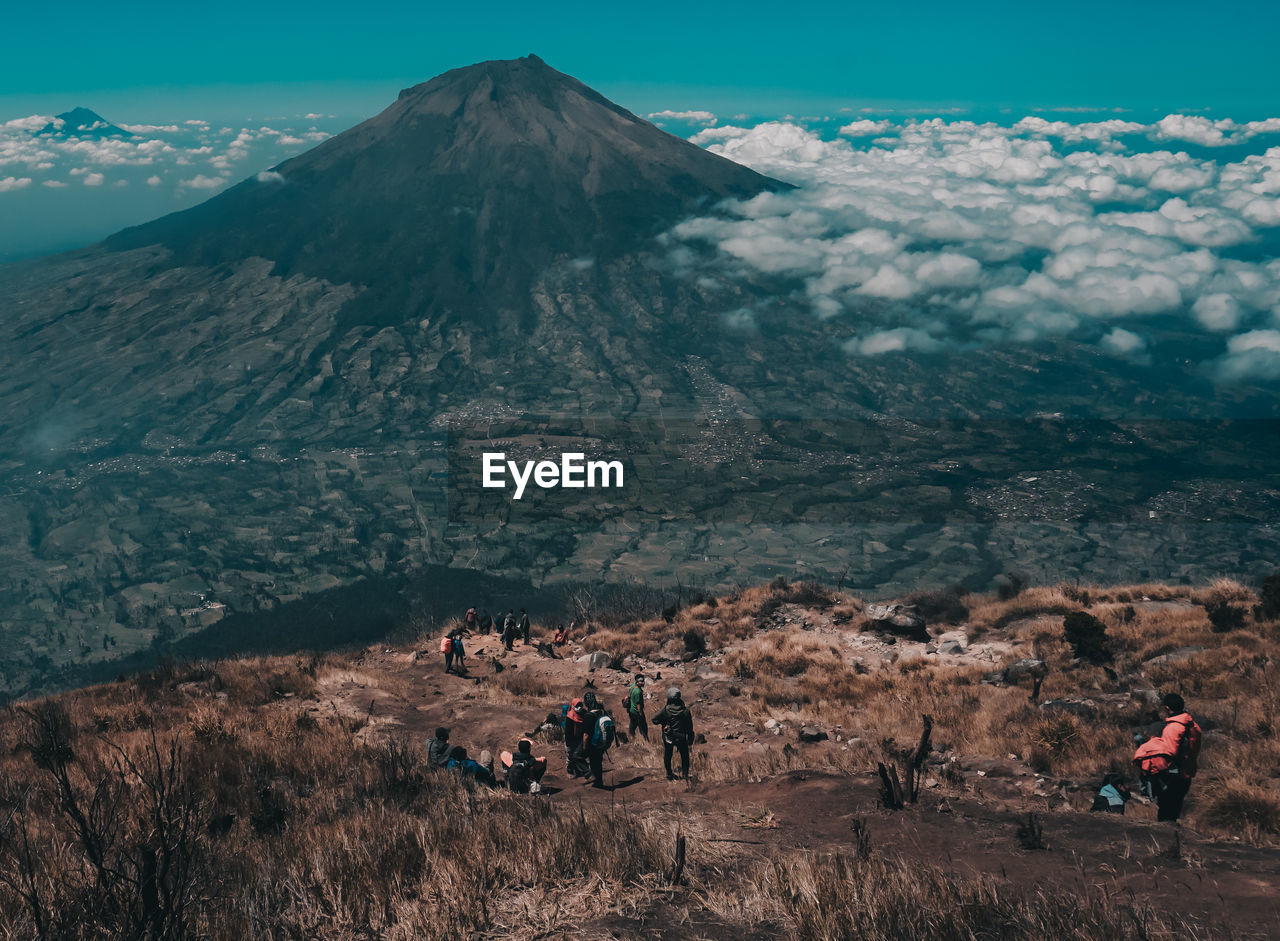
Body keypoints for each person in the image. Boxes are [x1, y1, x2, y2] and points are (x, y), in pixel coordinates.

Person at [1133, 692, 1202, 823]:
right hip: (1187, 773)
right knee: (1175, 809)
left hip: (1172, 777)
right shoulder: (1194, 726)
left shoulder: (1173, 727)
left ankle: (1166, 840)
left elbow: (1169, 753)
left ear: (1167, 708)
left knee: (1165, 813)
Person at [653, 687, 694, 781]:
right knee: (685, 756)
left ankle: (669, 774)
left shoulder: (665, 710)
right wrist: (690, 739)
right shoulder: (685, 711)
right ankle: (685, 775)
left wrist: (663, 723)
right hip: (681, 737)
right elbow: (689, 727)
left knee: (668, 754)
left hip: (669, 736)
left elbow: (654, 719)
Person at [580, 691, 614, 789]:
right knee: (597, 762)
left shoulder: (587, 716)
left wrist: (584, 747)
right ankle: (598, 781)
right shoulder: (602, 711)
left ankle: (596, 781)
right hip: (602, 742)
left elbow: (586, 735)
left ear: (586, 703)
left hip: (593, 743)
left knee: (591, 761)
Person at [563, 697, 590, 777]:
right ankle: (570, 770)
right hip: (571, 738)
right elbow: (567, 732)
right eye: (577, 705)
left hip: (580, 737)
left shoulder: (584, 713)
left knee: (577, 754)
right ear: (573, 706)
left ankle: (579, 770)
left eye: (580, 705)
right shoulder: (570, 716)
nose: (579, 707)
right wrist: (568, 744)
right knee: (570, 755)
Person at [626, 673, 648, 741]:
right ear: (637, 682)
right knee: (643, 728)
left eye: (643, 680)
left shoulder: (633, 686)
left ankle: (631, 737)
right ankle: (645, 741)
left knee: (633, 725)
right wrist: (641, 714)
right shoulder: (638, 692)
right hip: (636, 712)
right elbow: (638, 705)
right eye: (641, 681)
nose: (643, 682)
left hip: (631, 710)